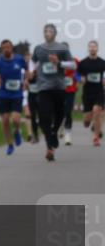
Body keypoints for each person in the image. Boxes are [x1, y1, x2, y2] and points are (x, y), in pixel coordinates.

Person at [30, 23, 76, 162]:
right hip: (43, 88)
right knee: (44, 117)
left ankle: (54, 132)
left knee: (60, 114)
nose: (47, 33)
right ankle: (49, 147)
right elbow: (32, 62)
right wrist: (31, 71)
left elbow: (73, 65)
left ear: (55, 33)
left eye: (50, 31)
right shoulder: (39, 48)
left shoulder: (62, 48)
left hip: (59, 87)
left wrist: (59, 63)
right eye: (45, 31)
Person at [0, 39, 26, 155]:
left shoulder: (19, 59)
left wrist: (26, 81)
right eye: (3, 48)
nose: (6, 49)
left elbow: (27, 72)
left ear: (12, 48)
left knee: (15, 118)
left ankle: (16, 131)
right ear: (1, 49)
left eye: (8, 47)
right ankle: (9, 144)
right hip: (3, 94)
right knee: (5, 120)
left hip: (17, 94)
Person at [77, 40, 104, 147]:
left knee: (97, 112)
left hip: (99, 92)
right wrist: (80, 78)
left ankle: (96, 138)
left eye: (94, 47)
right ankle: (89, 122)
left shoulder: (102, 62)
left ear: (97, 49)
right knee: (86, 121)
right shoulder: (83, 63)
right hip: (87, 93)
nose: (92, 48)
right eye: (91, 47)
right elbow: (76, 74)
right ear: (88, 49)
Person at [62, 49, 79, 145]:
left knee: (68, 111)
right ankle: (59, 128)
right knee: (58, 111)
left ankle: (68, 133)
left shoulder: (74, 61)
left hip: (70, 90)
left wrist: (77, 77)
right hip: (58, 90)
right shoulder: (56, 61)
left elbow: (79, 73)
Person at [26, 51, 42, 144]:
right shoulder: (27, 69)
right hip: (31, 94)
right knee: (32, 116)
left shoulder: (41, 68)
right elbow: (24, 79)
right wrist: (26, 80)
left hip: (40, 94)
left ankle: (41, 125)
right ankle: (35, 136)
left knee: (41, 114)